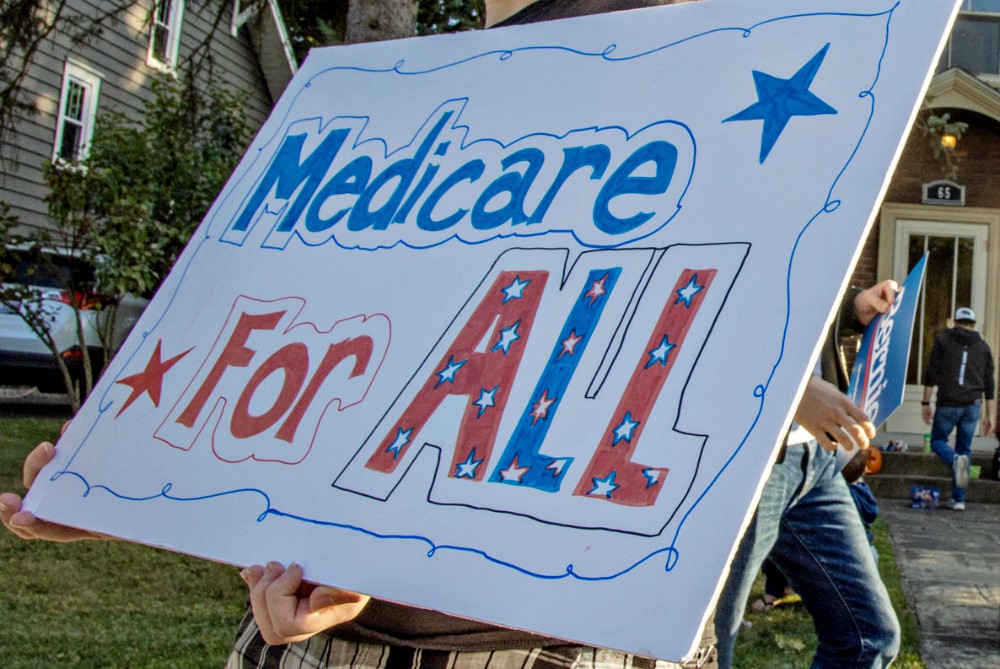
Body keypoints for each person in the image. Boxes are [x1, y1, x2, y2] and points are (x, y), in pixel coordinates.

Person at [1, 3, 897, 669]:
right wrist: (114, 488)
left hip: (576, 646)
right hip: (345, 645)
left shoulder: (736, 84)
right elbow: (320, 375)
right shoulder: (386, 111)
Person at [712, 281, 902, 669]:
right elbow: (700, 303)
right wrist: (790, 389)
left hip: (815, 459)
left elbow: (795, 284)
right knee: (705, 647)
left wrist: (852, 306)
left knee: (869, 637)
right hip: (745, 454)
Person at [921, 307, 995, 511]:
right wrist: (991, 414)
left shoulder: (943, 340)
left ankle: (954, 461)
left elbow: (931, 372)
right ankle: (959, 500)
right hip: (972, 405)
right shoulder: (983, 347)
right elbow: (989, 383)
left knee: (937, 441)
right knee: (965, 449)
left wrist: (925, 403)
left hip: (948, 402)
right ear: (972, 325)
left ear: (956, 322)